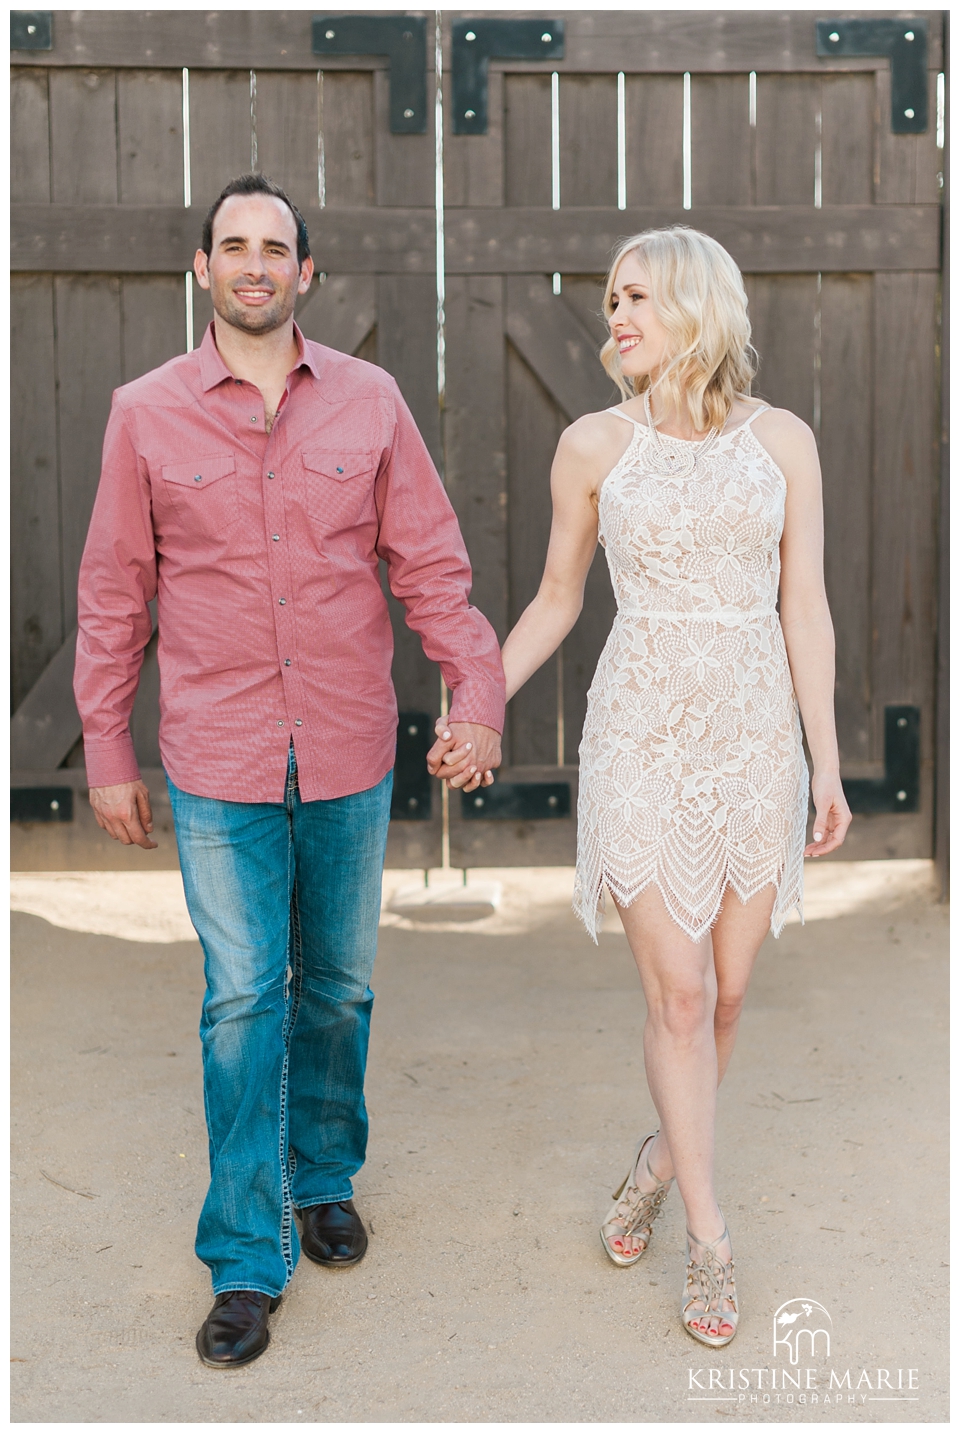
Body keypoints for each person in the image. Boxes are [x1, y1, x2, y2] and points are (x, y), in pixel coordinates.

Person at [74, 173, 503, 1368]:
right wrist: (106, 746)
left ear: (305, 272)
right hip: (218, 757)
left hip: (350, 743)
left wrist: (475, 691)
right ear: (203, 268)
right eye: (234, 246)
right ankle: (245, 1257)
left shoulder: (370, 400)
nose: (255, 264)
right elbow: (114, 591)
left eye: (276, 247)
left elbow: (432, 564)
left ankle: (322, 1175)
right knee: (242, 998)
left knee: (340, 987)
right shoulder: (143, 413)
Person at [433, 226, 851, 1346]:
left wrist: (824, 755)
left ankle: (662, 1158)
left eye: (636, 298)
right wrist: (480, 701)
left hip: (754, 736)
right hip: (640, 735)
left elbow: (804, 604)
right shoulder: (592, 445)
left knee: (727, 997)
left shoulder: (785, 441)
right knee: (678, 997)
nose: (614, 316)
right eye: (610, 300)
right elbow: (557, 597)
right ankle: (709, 1236)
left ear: (697, 305)